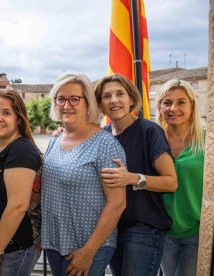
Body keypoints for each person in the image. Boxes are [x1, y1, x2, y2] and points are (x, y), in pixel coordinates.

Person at [42, 72, 127, 276]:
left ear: (88, 102)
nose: (66, 105)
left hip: (88, 246)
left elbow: (117, 203)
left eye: (74, 99)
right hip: (55, 243)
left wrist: (88, 252)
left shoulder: (105, 144)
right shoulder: (55, 140)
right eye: (60, 99)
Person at [94, 74, 178, 276]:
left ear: (131, 99)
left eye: (120, 94)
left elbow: (171, 182)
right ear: (100, 104)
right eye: (107, 96)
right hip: (113, 228)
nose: (114, 100)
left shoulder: (149, 131)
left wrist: (132, 178)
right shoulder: (101, 136)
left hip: (144, 229)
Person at [0, 90, 42, 276]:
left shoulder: (21, 150)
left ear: (19, 119)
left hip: (10, 249)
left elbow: (18, 206)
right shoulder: (0, 147)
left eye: (6, 113)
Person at [157, 80, 205, 276]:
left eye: (181, 102)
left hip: (195, 231)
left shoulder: (208, 140)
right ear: (159, 107)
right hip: (162, 231)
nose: (173, 108)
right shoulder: (154, 138)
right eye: (167, 102)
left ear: (192, 106)